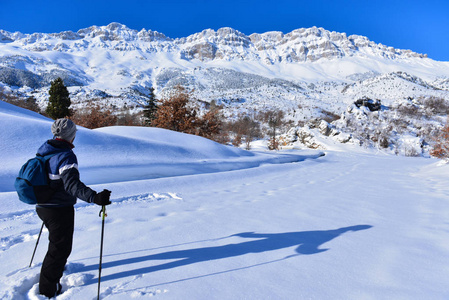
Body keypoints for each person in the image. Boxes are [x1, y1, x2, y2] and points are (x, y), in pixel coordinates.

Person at [35, 118, 111, 298]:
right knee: (59, 249)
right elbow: (72, 185)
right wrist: (94, 197)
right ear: (72, 135)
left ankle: (57, 268)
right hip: (58, 208)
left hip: (42, 205)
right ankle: (47, 289)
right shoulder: (66, 156)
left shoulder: (45, 150)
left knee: (57, 244)